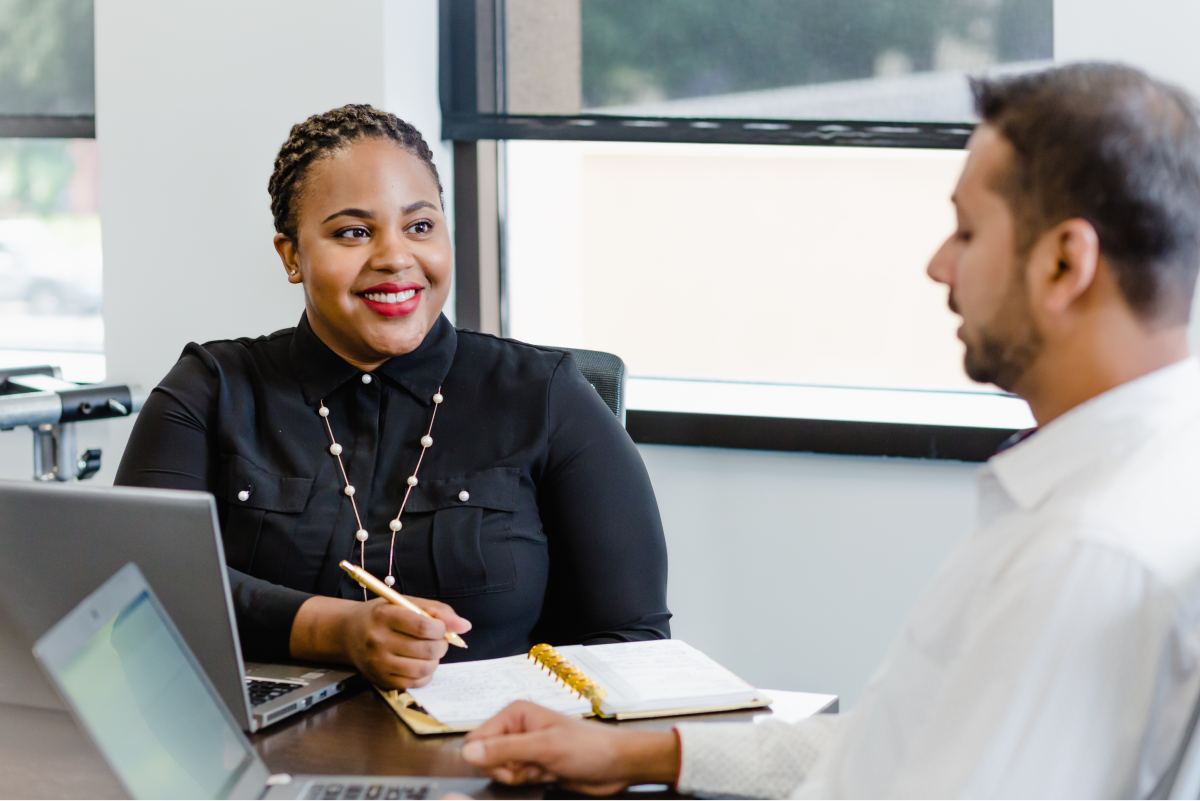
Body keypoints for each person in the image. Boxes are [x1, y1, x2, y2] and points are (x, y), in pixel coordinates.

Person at [458, 63, 1200, 799]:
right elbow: (903, 741)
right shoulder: (1145, 474)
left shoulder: (1086, 551)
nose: (939, 264)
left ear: (1066, 261)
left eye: (968, 231)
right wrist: (639, 754)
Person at [114, 105, 670, 690]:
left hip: (487, 759)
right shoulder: (207, 390)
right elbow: (134, 586)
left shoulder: (547, 395)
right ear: (290, 256)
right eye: (353, 232)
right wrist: (337, 630)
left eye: (420, 226)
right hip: (255, 759)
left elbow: (632, 641)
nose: (395, 258)